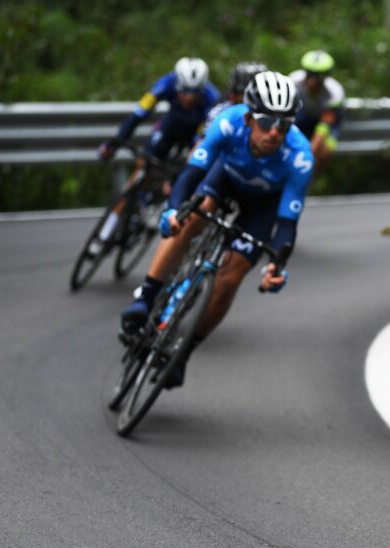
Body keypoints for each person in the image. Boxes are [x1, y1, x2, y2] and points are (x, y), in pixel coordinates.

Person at [118, 71, 314, 388]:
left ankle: (183, 353)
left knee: (232, 273)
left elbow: (287, 223)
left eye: (285, 124)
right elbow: (192, 173)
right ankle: (147, 296)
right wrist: (172, 212)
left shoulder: (300, 156)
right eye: (267, 122)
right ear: (250, 118)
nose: (275, 132)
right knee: (195, 213)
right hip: (224, 180)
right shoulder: (228, 121)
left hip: (262, 204)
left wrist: (277, 264)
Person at [91, 58, 221, 255]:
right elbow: (138, 114)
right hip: (168, 128)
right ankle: (105, 234)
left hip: (194, 134)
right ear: (177, 84)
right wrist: (115, 142)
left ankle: (160, 202)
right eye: (184, 91)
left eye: (194, 93)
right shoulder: (165, 84)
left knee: (184, 171)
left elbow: (204, 141)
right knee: (140, 171)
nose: (188, 97)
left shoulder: (212, 100)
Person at [289, 49, 345, 177]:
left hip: (326, 121)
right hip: (304, 115)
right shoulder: (293, 81)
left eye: (319, 77)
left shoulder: (334, 92)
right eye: (310, 75)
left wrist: (308, 159)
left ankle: (309, 179)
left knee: (325, 151)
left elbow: (323, 128)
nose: (313, 81)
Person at [200, 61, 268, 136]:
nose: (231, 96)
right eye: (234, 91)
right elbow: (204, 139)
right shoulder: (221, 111)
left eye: (238, 93)